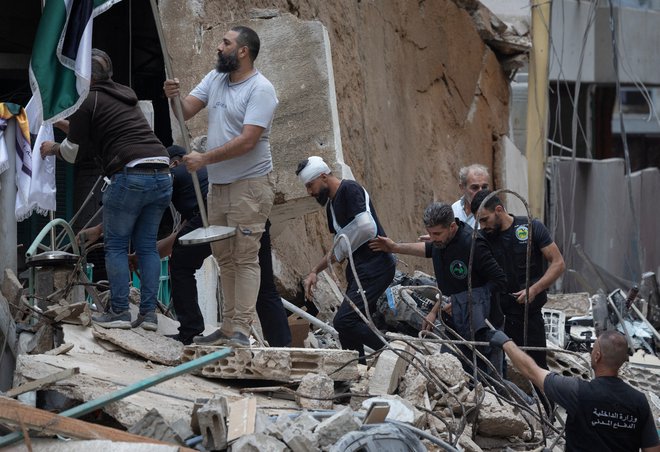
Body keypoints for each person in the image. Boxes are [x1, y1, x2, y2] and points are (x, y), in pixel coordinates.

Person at [163, 26, 278, 347]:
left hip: (250, 186)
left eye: (225, 43)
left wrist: (204, 159)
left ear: (243, 51)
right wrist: (173, 97)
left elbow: (248, 141)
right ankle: (228, 329)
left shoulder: (261, 89)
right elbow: (186, 111)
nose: (218, 47)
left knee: (244, 257)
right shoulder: (215, 78)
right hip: (219, 187)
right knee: (224, 257)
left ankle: (241, 329)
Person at [41, 49, 172, 330]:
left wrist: (51, 148)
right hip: (161, 171)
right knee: (147, 246)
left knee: (115, 245)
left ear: (84, 77)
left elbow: (74, 153)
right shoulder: (122, 96)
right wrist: (57, 122)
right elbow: (87, 137)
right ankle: (148, 316)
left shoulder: (86, 101)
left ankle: (120, 312)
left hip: (130, 174)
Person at [369, 202, 507, 373]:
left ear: (452, 226)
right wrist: (434, 312)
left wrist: (462, 301)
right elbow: (440, 271)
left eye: (437, 233)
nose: (432, 238)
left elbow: (500, 281)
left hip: (484, 326)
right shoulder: (441, 243)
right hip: (455, 324)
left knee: (493, 384)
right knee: (451, 374)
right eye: (429, 233)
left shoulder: (473, 245)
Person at [490, 330, 660, 451]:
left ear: (597, 355)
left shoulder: (576, 391)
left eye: (593, 348)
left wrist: (506, 343)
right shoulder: (639, 401)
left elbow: (531, 371)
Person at [297, 156, 395, 360]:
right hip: (360, 270)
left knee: (344, 321)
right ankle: (356, 368)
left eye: (310, 185)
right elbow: (339, 248)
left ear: (323, 176)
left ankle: (394, 355)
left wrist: (343, 246)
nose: (310, 192)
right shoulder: (331, 207)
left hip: (375, 267)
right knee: (346, 326)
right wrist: (315, 270)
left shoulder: (350, 190)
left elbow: (367, 228)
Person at [471, 190, 565, 371]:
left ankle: (543, 401)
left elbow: (558, 263)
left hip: (529, 317)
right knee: (493, 370)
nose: (482, 226)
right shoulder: (482, 238)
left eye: (484, 219)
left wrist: (535, 289)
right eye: (479, 222)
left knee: (537, 370)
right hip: (496, 318)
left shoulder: (531, 227)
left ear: (498, 210)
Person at [451, 164, 490, 228]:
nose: (480, 192)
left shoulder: (494, 210)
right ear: (462, 188)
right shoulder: (455, 209)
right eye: (475, 187)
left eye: (484, 187)